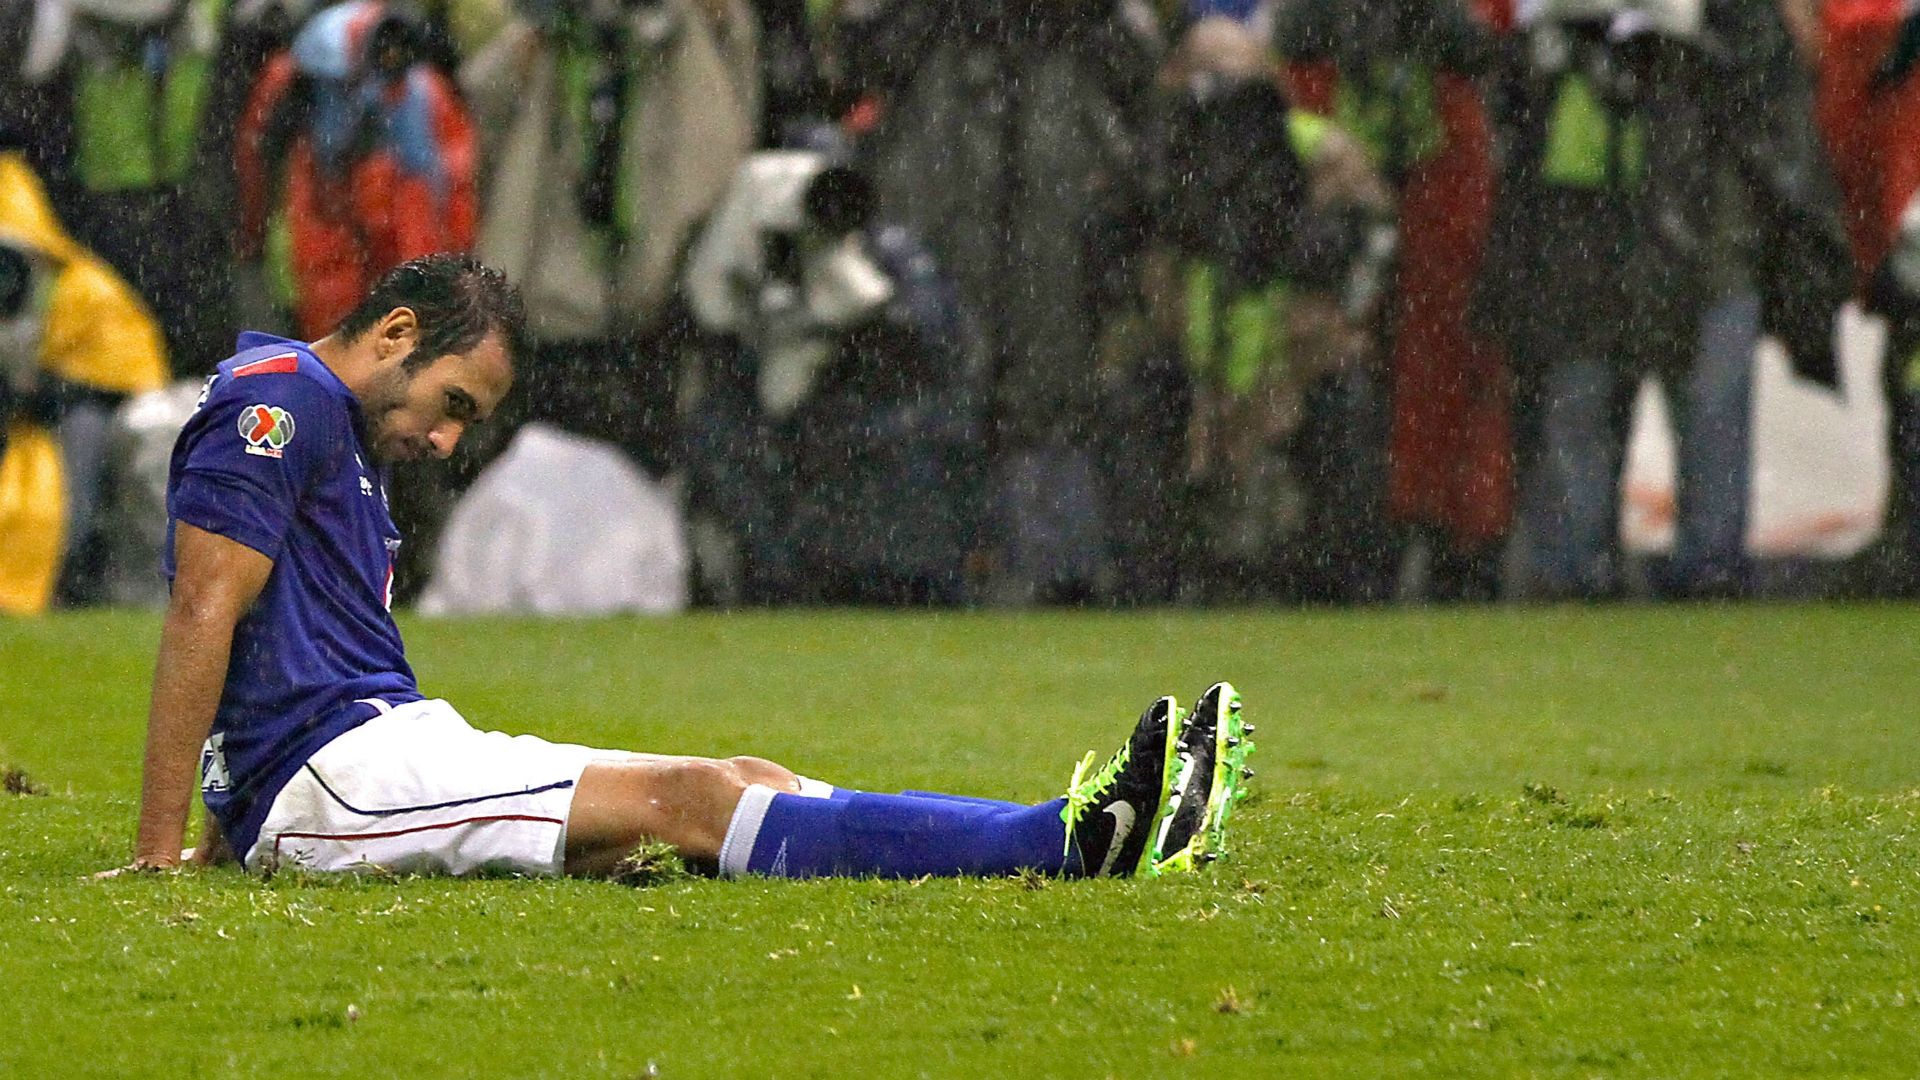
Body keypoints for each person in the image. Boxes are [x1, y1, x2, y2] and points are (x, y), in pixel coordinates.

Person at [102, 254, 1256, 883]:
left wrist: (220, 827)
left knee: (742, 776)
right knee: (692, 803)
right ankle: (1066, 844)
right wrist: (166, 855)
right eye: (454, 406)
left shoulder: (329, 425)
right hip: (338, 775)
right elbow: (206, 608)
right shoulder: (279, 405)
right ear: (397, 333)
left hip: (375, 751)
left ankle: (1075, 822)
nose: (449, 441)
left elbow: (276, 638)